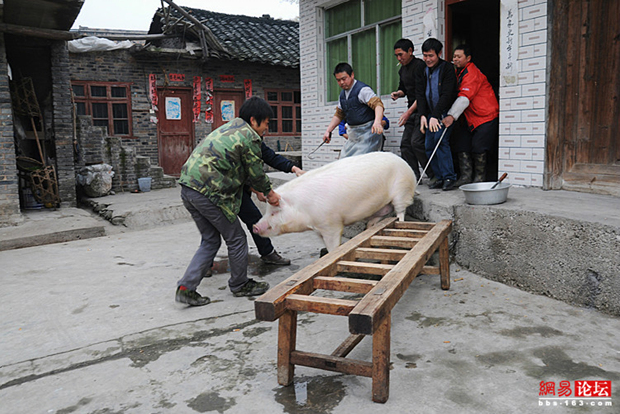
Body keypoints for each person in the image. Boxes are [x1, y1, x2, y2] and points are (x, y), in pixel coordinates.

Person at [176, 96, 280, 306]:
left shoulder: (230, 128)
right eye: (266, 123)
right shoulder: (249, 136)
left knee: (210, 240)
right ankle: (240, 284)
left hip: (188, 187)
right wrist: (270, 194)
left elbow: (234, 166)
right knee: (236, 238)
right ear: (254, 120)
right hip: (209, 192)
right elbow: (256, 172)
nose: (266, 128)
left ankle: (186, 288)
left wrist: (257, 189)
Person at [442, 44, 499, 185]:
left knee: (479, 147)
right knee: (462, 145)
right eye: (454, 56)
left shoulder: (472, 73)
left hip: (485, 115)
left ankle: (479, 179)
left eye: (459, 57)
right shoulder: (459, 72)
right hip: (469, 117)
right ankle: (465, 178)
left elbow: (464, 98)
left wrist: (451, 116)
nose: (455, 59)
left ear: (468, 58)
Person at [239, 143, 304, 265]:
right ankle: (234, 273)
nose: (265, 131)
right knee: (232, 236)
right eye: (266, 123)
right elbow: (250, 171)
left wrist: (294, 168)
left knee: (254, 218)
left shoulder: (255, 140)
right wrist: (263, 192)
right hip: (220, 190)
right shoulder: (244, 140)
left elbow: (271, 157)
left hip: (237, 188)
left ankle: (267, 253)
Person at [390, 38, 436, 184]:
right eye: (396, 55)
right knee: (405, 144)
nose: (399, 58)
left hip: (422, 110)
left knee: (416, 142)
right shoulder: (402, 69)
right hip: (411, 109)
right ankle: (413, 176)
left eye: (401, 54)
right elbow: (403, 88)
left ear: (410, 51)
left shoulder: (420, 66)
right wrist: (398, 93)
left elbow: (421, 94)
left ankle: (433, 175)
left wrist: (408, 113)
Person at [415, 38, 458, 191]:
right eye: (425, 55)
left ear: (439, 54)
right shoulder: (422, 70)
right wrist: (422, 115)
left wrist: (435, 115)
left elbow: (447, 95)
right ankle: (439, 177)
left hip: (444, 112)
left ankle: (449, 177)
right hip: (429, 113)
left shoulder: (447, 68)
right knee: (428, 145)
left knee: (440, 141)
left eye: (431, 56)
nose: (427, 59)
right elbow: (420, 94)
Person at [322, 63, 384, 158]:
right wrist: (328, 130)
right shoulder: (342, 95)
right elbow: (339, 114)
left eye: (344, 79)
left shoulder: (363, 90)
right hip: (353, 136)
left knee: (360, 162)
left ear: (352, 75)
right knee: (344, 161)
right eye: (338, 80)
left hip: (368, 134)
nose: (341, 82)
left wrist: (377, 122)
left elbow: (378, 105)